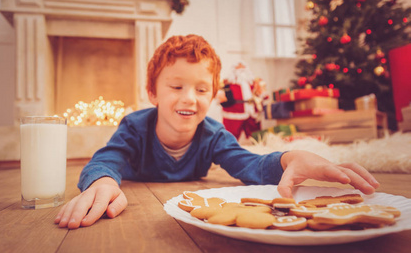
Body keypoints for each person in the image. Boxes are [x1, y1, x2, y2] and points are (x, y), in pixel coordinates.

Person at [55, 34, 379, 229]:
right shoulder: (135, 127)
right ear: (152, 93)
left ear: (212, 97)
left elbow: (249, 164)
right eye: (176, 86)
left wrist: (291, 157)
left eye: (201, 90)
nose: (188, 98)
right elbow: (105, 159)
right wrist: (103, 180)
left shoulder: (212, 134)